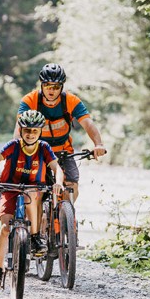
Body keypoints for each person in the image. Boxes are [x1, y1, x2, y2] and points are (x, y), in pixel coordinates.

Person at [0, 110, 65, 291]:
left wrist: (58, 183)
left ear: (40, 132)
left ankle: (34, 237)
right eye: (27, 130)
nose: (30, 134)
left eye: (34, 131)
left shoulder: (43, 148)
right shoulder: (13, 145)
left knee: (33, 196)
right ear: (21, 130)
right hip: (10, 188)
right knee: (5, 229)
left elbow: (57, 168)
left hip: (33, 188)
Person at [16, 63, 106, 202]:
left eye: (56, 87)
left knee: (71, 186)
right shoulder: (30, 100)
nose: (51, 90)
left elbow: (88, 123)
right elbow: (19, 128)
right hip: (37, 151)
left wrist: (98, 144)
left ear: (62, 87)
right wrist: (17, 149)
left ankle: (66, 218)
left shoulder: (71, 101)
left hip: (64, 151)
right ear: (41, 85)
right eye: (47, 85)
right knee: (35, 189)